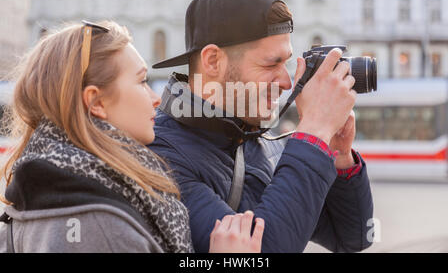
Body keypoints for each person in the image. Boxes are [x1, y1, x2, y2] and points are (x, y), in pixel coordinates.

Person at [0, 20, 264, 253]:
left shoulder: (55, 187)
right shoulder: (98, 225)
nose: (156, 97)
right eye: (141, 81)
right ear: (96, 102)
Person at [149, 0, 374, 253]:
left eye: (287, 63)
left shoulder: (257, 140)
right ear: (212, 61)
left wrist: (339, 157)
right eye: (271, 64)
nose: (287, 82)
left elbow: (352, 237)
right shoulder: (160, 157)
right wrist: (315, 132)